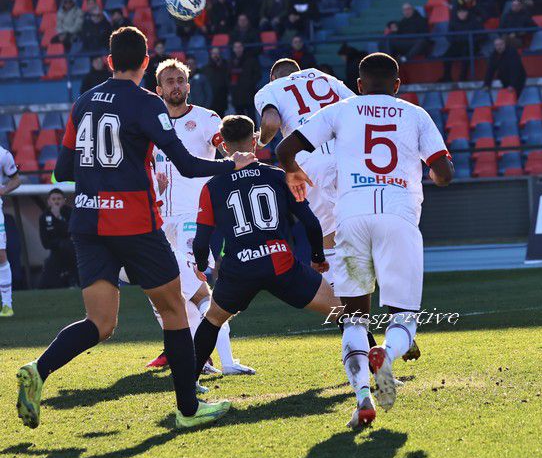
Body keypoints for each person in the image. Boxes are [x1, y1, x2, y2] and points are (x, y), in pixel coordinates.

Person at [15, 26, 256, 430]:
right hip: (134, 224)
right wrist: (232, 164)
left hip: (88, 225)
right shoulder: (147, 104)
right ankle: (188, 411)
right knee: (175, 310)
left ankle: (38, 369)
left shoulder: (83, 102)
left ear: (109, 62)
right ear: (146, 63)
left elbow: (62, 170)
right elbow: (187, 164)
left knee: (101, 324)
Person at [276, 52, 454, 425]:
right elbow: (443, 172)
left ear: (359, 85)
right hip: (399, 217)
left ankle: (362, 397)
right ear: (397, 85)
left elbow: (284, 149)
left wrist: (293, 172)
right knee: (404, 318)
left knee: (355, 318)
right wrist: (431, 174)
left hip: (352, 217)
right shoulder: (415, 114)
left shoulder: (343, 109)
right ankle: (386, 356)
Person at [191, 115, 342, 414]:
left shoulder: (212, 186)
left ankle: (188, 383)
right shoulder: (277, 175)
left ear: (222, 146)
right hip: (281, 263)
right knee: (342, 311)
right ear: (255, 140)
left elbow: (201, 240)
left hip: (239, 269)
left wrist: (201, 265)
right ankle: (373, 368)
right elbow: (311, 223)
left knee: (212, 321)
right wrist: (317, 258)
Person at [144, 58, 254, 375]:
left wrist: (240, 161)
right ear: (158, 89)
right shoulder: (151, 123)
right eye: (170, 81)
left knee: (196, 284)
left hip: (195, 216)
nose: (176, 86)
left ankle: (219, 357)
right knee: (162, 290)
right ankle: (185, 349)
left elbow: (227, 153)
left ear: (188, 86)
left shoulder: (206, 119)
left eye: (181, 80)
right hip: (159, 219)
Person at [254, 58, 355, 287]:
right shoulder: (324, 77)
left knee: (327, 231)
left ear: (273, 77)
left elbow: (271, 121)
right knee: (355, 221)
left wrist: (261, 142)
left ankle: (339, 300)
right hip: (347, 154)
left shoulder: (269, 90)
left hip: (308, 159)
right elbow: (358, 106)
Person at [38, 188, 77, 289]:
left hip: (72, 251)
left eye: (59, 199)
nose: (56, 201)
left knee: (69, 247)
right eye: (53, 199)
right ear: (48, 201)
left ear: (64, 200)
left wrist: (58, 217)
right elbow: (45, 243)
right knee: (45, 284)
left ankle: (74, 281)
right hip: (56, 252)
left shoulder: (70, 212)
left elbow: (71, 232)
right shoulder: (44, 216)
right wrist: (60, 242)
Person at [0, 145, 20, 317]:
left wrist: (4, 189)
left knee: (1, 255)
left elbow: (15, 179)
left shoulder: (3, 155)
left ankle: (7, 305)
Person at [229, 42, 261, 115]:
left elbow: (258, 75)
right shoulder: (230, 61)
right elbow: (227, 77)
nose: (238, 49)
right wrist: (232, 86)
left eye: (239, 47)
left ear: (243, 48)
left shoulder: (251, 60)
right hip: (236, 95)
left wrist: (250, 84)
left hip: (249, 94)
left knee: (251, 116)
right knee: (240, 119)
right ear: (233, 49)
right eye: (236, 47)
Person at [204, 47, 231, 116]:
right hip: (210, 100)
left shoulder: (226, 66)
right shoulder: (206, 68)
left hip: (222, 98)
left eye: (217, 53)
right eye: (214, 53)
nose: (215, 55)